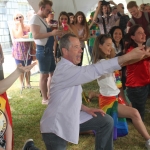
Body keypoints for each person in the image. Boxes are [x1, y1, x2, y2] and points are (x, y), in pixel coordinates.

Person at [40, 33, 150, 150]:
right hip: (55, 126)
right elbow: (96, 69)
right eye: (76, 47)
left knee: (106, 121)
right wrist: (128, 56)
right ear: (65, 51)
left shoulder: (70, 68)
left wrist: (86, 108)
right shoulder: (65, 70)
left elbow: (66, 97)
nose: (81, 50)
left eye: (80, 46)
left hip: (72, 116)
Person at [92, 34, 150, 149]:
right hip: (108, 102)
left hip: (113, 99)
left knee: (97, 127)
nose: (110, 47)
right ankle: (148, 140)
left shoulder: (107, 61)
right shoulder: (101, 64)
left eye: (111, 45)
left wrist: (144, 55)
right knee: (135, 113)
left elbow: (118, 85)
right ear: (99, 46)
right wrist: (143, 55)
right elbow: (126, 62)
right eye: (108, 45)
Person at [30, 0, 62, 105]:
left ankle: (50, 94)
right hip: (43, 50)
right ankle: (44, 99)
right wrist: (51, 33)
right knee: (44, 76)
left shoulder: (42, 19)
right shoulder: (35, 18)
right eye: (48, 10)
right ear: (41, 8)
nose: (49, 12)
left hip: (48, 50)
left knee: (52, 73)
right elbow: (36, 35)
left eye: (50, 10)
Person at [125, 24, 150, 121]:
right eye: (140, 33)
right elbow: (143, 56)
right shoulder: (131, 50)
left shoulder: (144, 48)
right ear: (132, 36)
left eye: (143, 32)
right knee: (138, 117)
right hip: (136, 87)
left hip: (145, 83)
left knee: (139, 113)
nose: (143, 35)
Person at [12, 11, 32, 89]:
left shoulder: (28, 26)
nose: (18, 18)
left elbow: (31, 35)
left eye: (20, 16)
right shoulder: (14, 28)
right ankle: (22, 83)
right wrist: (20, 26)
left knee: (28, 67)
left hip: (27, 49)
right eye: (16, 18)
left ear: (23, 18)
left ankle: (28, 83)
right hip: (18, 50)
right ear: (14, 20)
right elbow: (19, 35)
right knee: (20, 68)